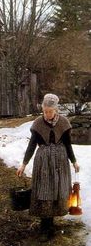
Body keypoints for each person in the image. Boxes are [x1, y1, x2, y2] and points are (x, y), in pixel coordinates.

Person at [16, 93, 80, 242]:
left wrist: (74, 161)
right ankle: (45, 226)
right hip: (43, 162)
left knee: (58, 190)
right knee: (44, 191)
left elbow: (68, 144)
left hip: (60, 161)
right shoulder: (38, 123)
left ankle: (51, 223)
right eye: (45, 111)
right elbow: (31, 145)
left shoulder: (63, 122)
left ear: (56, 110)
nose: (47, 114)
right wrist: (24, 164)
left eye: (50, 111)